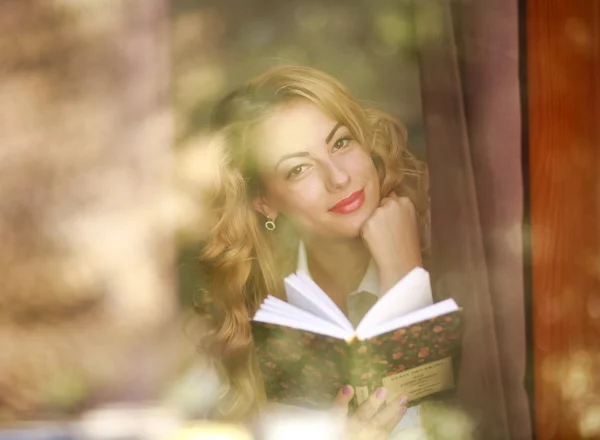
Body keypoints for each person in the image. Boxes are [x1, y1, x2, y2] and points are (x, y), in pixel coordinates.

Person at [197, 65, 432, 439]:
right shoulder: (257, 321)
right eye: (299, 169)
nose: (338, 177)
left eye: (341, 143)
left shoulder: (455, 260)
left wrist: (406, 277)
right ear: (264, 202)